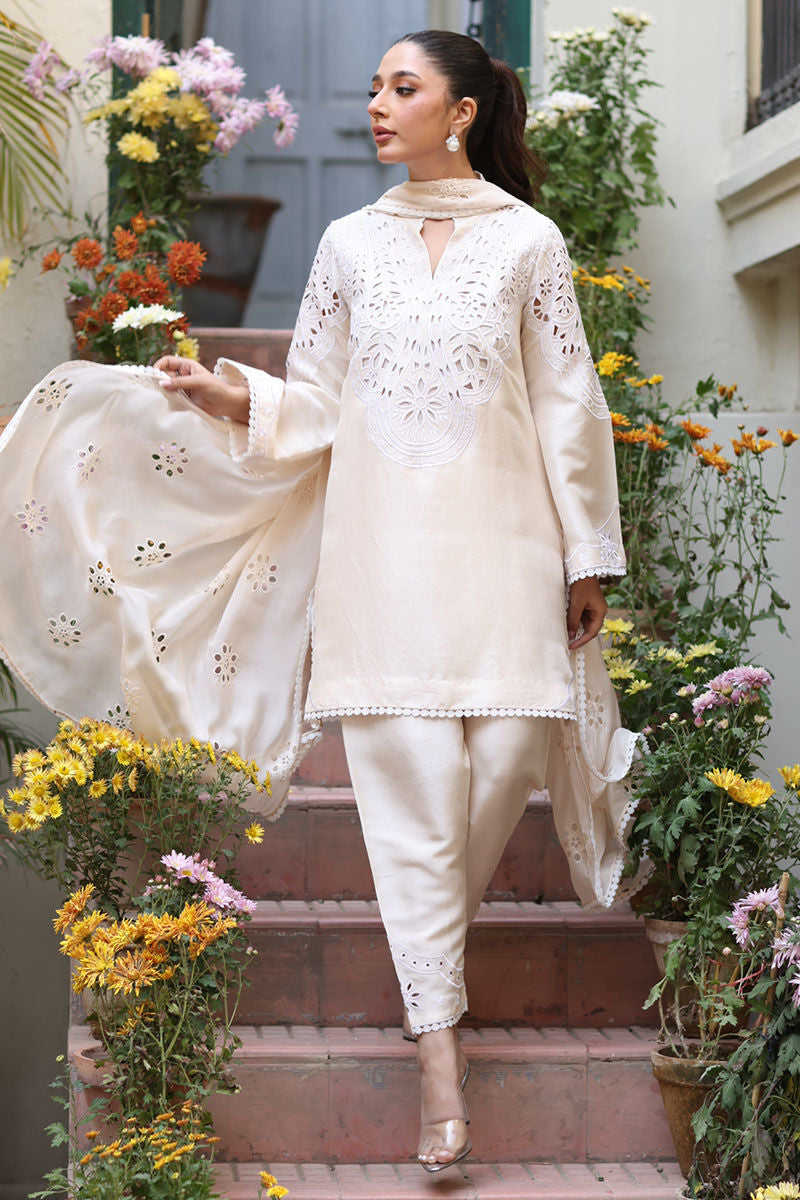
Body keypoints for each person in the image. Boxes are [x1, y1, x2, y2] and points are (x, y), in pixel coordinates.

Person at [0, 29, 645, 1173]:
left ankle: (428, 981)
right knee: (408, 788)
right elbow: (317, 398)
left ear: (460, 111)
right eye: (374, 88)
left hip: (506, 542)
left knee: (505, 760)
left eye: (403, 88)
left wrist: (584, 554)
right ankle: (437, 1055)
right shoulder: (349, 243)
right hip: (379, 548)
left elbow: (565, 402)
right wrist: (229, 399)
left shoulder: (528, 241)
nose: (377, 105)